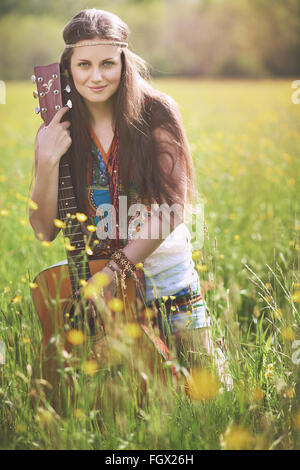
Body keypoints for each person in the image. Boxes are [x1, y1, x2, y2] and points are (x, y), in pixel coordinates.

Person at [29, 8, 214, 372]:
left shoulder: (156, 112)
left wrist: (115, 271)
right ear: (68, 67)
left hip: (164, 278)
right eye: (84, 65)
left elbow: (172, 209)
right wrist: (47, 161)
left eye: (107, 64)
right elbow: (43, 230)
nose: (96, 77)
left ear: (124, 63)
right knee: (121, 400)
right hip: (97, 286)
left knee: (207, 393)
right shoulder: (57, 126)